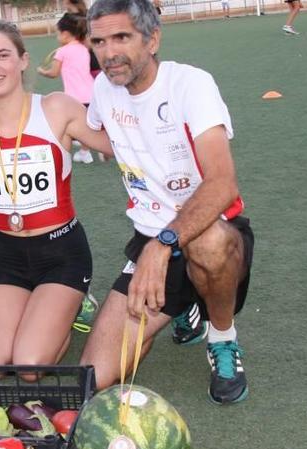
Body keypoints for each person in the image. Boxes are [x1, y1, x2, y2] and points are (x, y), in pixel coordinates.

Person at [80, 0, 255, 404]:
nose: (108, 53)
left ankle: (222, 336)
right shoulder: (104, 89)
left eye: (121, 37)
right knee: (96, 374)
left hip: (209, 231)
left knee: (206, 244)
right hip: (149, 236)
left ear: (152, 38)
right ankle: (184, 305)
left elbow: (223, 183)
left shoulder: (190, 84)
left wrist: (162, 245)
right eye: (99, 41)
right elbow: (105, 138)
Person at [0, 20, 112, 373]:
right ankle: (40, 309)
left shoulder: (56, 108)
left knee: (28, 365)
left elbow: (112, 146)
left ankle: (71, 308)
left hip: (61, 253)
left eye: (3, 55)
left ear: (23, 61)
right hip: (5, 256)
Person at [38, 14, 95, 164]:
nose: (57, 36)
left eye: (58, 33)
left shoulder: (62, 51)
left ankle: (76, 153)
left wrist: (42, 71)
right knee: (87, 125)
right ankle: (85, 149)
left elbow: (53, 73)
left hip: (74, 98)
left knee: (66, 125)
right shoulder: (83, 48)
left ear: (65, 34)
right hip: (90, 93)